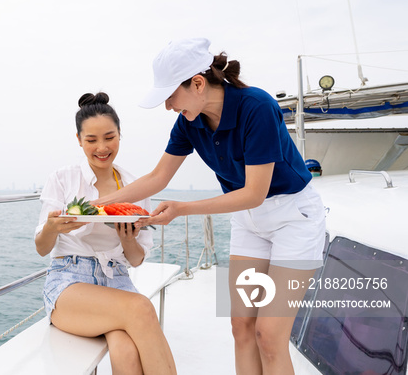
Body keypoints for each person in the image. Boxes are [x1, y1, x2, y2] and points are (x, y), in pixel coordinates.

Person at [95, 38, 326, 375]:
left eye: (170, 96)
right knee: (241, 328)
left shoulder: (257, 107)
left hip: (294, 217)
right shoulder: (191, 122)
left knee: (269, 335)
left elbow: (254, 193)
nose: (168, 106)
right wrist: (96, 205)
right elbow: (158, 176)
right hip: (249, 221)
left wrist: (181, 209)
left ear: (198, 83)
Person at [35, 92, 177, 375]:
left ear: (120, 135)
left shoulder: (135, 186)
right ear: (79, 140)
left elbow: (135, 260)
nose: (102, 147)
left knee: (125, 349)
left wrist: (127, 240)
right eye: (91, 140)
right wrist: (52, 226)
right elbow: (41, 247)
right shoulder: (62, 178)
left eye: (109, 137)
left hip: (117, 280)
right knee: (141, 308)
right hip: (69, 281)